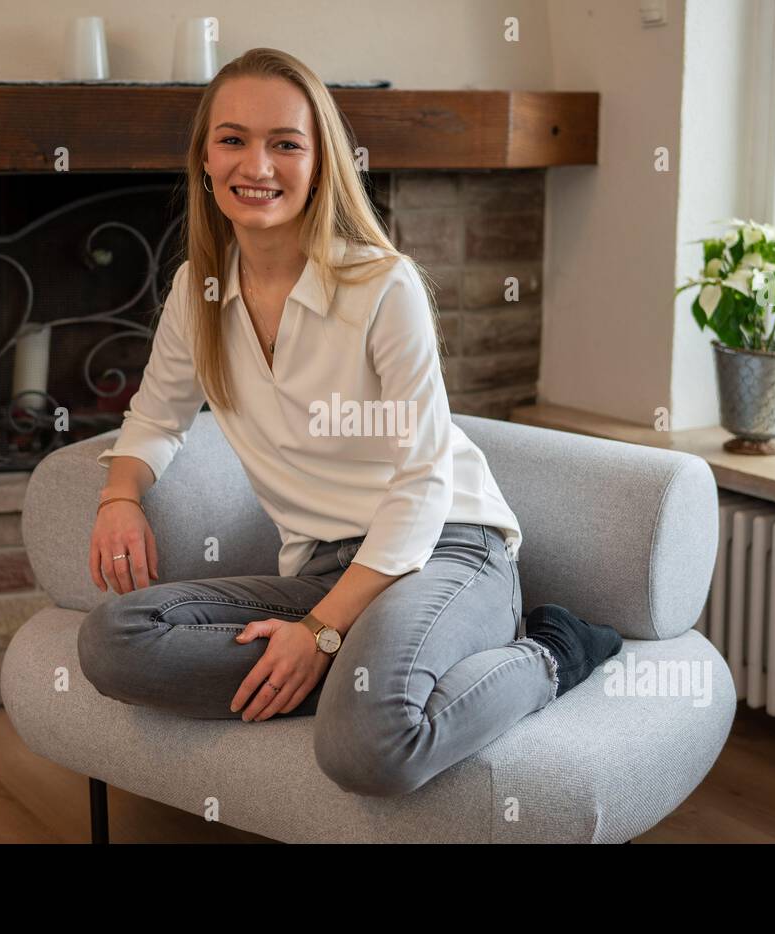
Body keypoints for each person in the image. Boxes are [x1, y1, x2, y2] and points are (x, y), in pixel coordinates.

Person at [78, 47, 620, 799]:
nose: (256, 163)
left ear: (320, 159)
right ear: (205, 159)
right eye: (233, 139)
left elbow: (425, 483)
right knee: (113, 641)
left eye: (285, 143)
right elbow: (156, 417)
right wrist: (120, 497)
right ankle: (343, 670)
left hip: (444, 548)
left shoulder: (380, 285)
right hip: (322, 568)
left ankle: (554, 648)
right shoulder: (196, 291)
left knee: (370, 748)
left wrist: (323, 633)